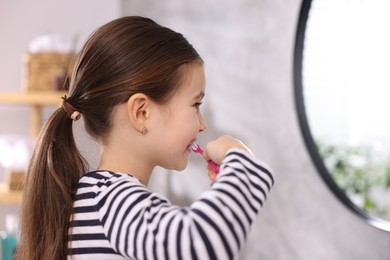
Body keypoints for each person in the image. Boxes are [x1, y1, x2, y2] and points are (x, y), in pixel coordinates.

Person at [17, 16, 274, 260]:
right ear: (142, 113)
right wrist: (240, 162)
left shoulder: (96, 195)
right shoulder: (112, 198)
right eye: (196, 104)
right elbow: (202, 245)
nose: (203, 125)